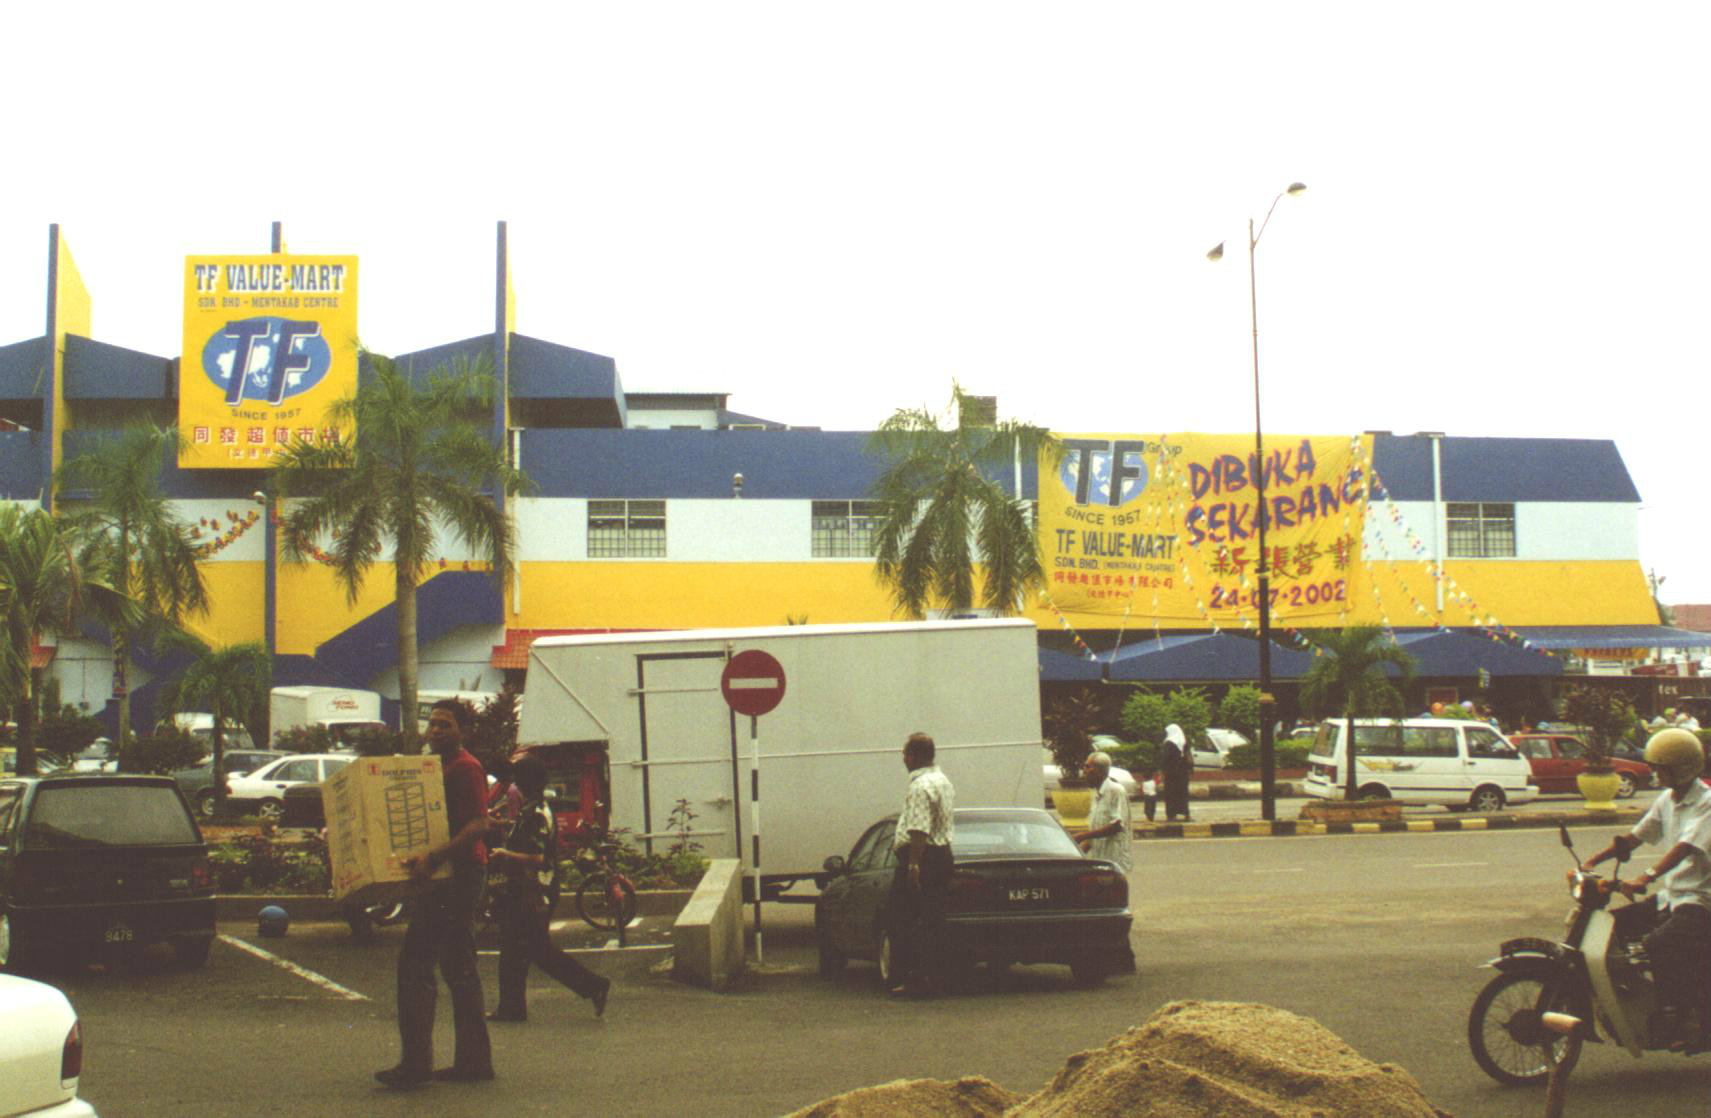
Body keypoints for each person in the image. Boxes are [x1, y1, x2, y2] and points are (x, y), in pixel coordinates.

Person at [376, 699, 494, 1089]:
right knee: (457, 966)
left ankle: (417, 1066)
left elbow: (480, 823)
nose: (436, 731)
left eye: (445, 725)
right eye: (433, 724)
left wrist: (435, 856)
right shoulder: (431, 768)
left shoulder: (466, 767)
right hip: (442, 875)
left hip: (458, 875)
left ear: (462, 731)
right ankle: (473, 1063)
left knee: (416, 963)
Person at [1578, 728, 1711, 1048]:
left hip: (1700, 900)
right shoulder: (1667, 799)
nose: (1654, 772)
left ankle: (1679, 1015)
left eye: (1659, 767)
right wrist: (1593, 860)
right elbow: (1635, 837)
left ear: (1680, 769)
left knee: (1658, 943)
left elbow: (1684, 848)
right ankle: (1635, 996)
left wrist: (1645, 876)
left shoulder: (1706, 804)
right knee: (1613, 926)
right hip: (1673, 897)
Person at [488, 754, 611, 1022]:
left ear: (523, 782)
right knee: (519, 949)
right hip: (531, 889)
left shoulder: (534, 813)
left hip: (533, 891)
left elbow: (538, 858)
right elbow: (529, 841)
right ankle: (513, 1007)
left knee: (530, 950)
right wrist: (504, 826)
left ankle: (593, 986)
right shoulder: (535, 809)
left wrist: (503, 854)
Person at [888, 731, 954, 997]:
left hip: (922, 856)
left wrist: (913, 865)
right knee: (933, 918)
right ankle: (936, 975)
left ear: (913, 756)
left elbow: (918, 829)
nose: (903, 759)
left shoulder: (919, 786)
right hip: (942, 854)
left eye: (905, 754)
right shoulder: (943, 781)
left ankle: (913, 977)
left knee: (903, 918)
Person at [1074, 751, 1133, 873]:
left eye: (1087, 767)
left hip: (1114, 862)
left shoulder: (1116, 791)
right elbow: (1095, 833)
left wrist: (1083, 835)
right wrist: (1078, 854)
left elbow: (1116, 826)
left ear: (1099, 771)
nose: (1084, 771)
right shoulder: (1096, 794)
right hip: (1100, 861)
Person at [1161, 724, 1192, 822]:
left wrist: (1163, 770)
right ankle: (1186, 814)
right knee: (1183, 793)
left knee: (1170, 794)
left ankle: (1171, 815)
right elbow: (1189, 757)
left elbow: (1165, 758)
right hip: (1183, 773)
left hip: (1171, 773)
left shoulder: (1169, 743)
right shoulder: (1184, 742)